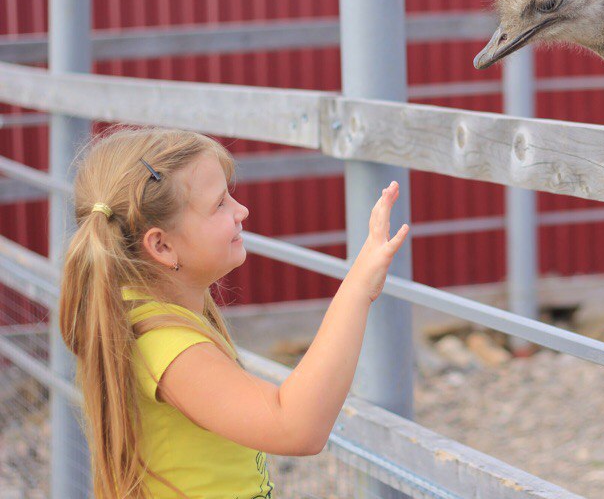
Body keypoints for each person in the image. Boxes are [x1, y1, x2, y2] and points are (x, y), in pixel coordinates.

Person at [58, 125, 410, 499]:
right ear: (161, 245)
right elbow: (295, 426)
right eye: (220, 204)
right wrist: (357, 287)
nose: (241, 210)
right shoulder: (164, 346)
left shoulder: (147, 319)